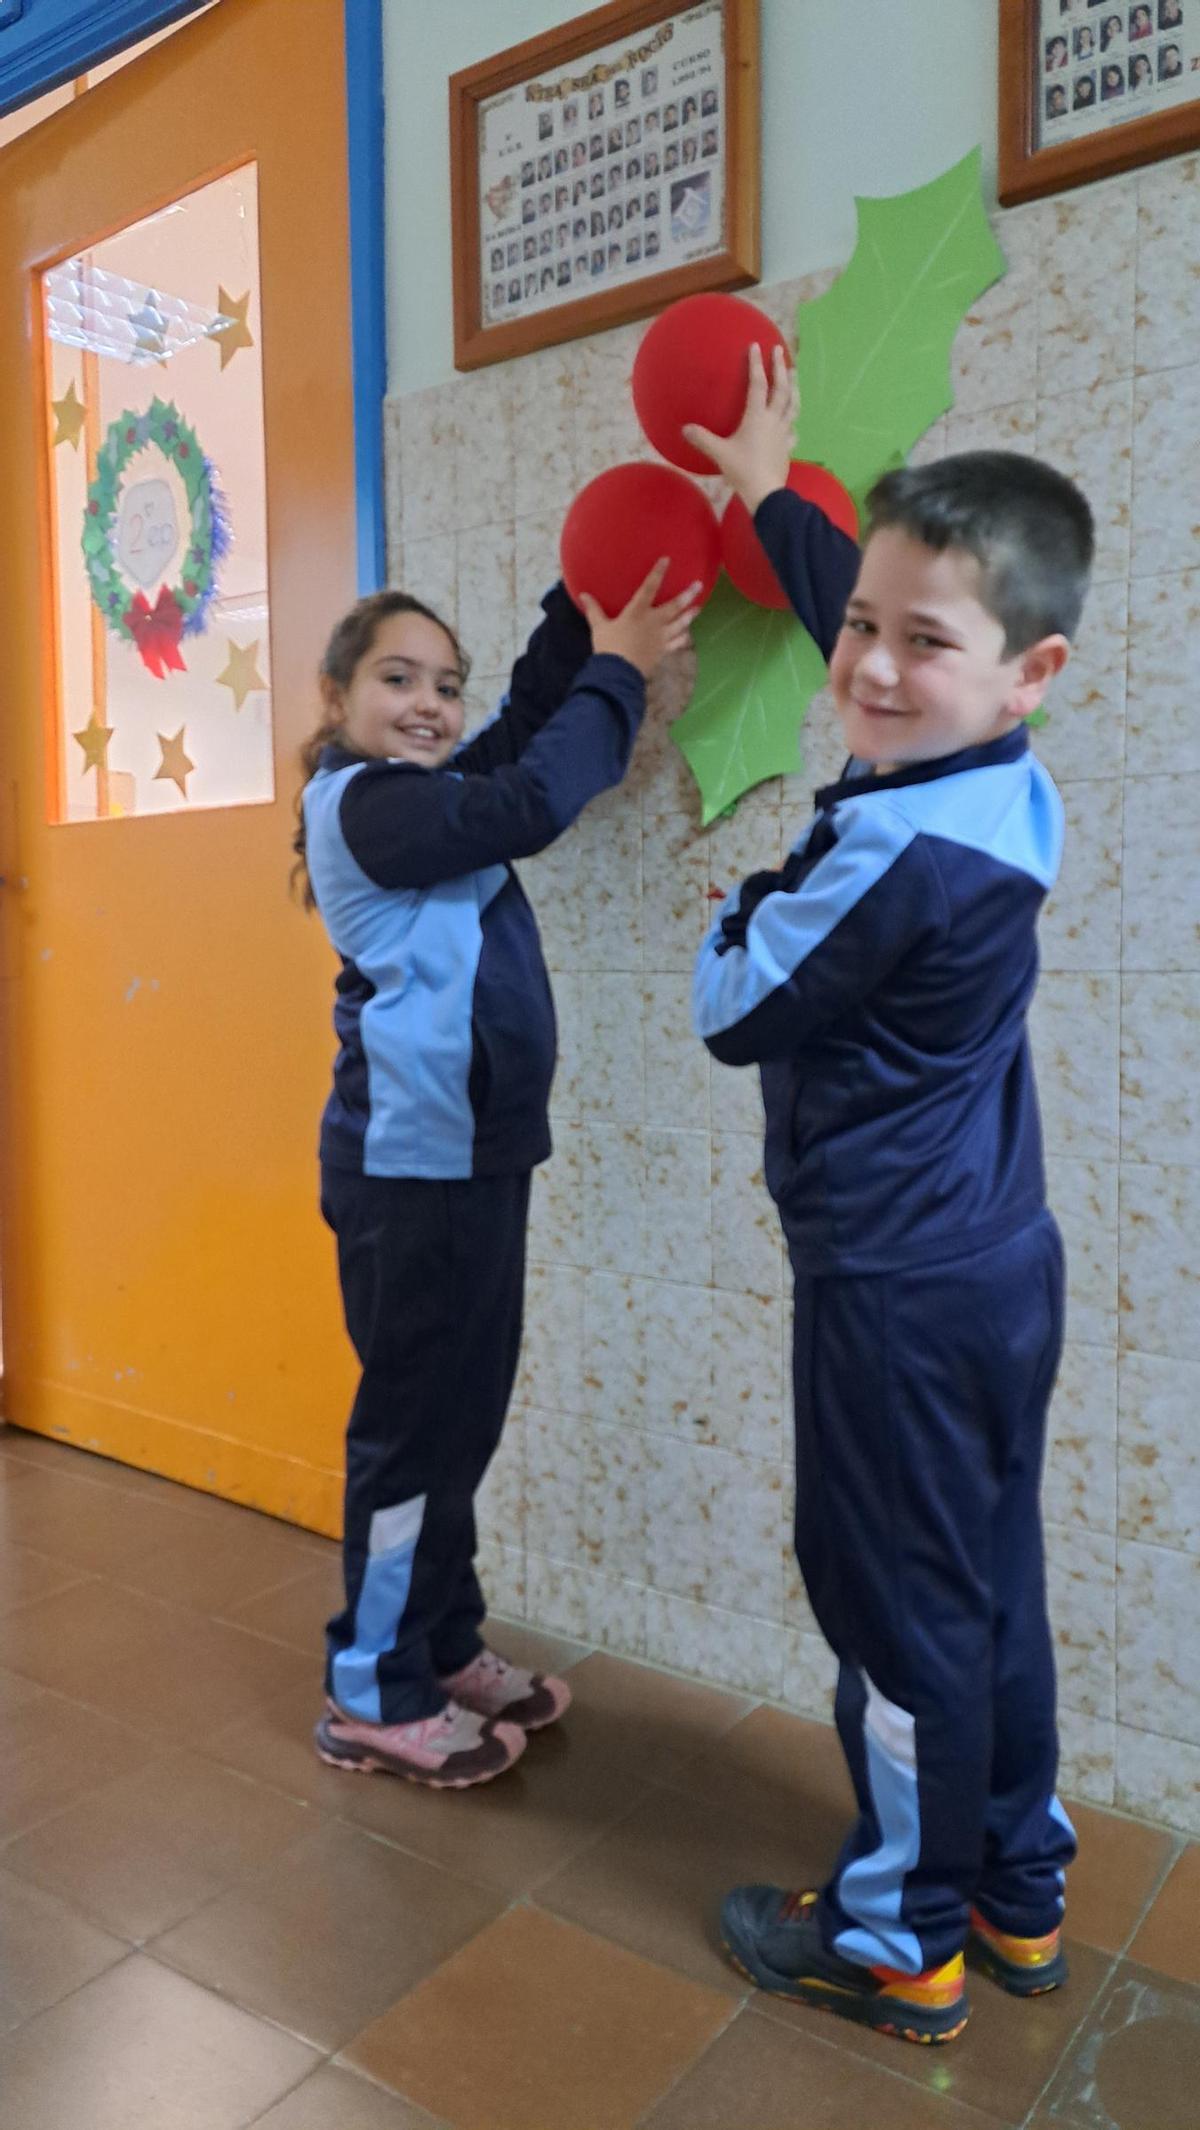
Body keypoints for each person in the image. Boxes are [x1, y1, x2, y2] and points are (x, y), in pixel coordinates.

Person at [688, 347, 1093, 2045]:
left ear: (1031, 672)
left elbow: (730, 1004)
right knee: (985, 1580)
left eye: (920, 642)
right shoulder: (1002, 790)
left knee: (894, 1601)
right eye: (858, 620)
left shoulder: (894, 858)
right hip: (994, 1263)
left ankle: (898, 1935)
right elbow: (898, 651)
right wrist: (784, 507)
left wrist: (742, 893)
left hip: (894, 1292)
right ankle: (1016, 1887)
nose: (866, 661)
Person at [296, 566, 700, 1788]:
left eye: (445, 685)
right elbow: (531, 796)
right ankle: (372, 1689)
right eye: (397, 678)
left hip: (475, 1159)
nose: (429, 704)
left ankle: (442, 1642)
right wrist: (620, 665)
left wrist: (582, 609)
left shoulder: (427, 790)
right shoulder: (364, 803)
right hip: (410, 1171)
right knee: (414, 1432)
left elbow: (521, 735)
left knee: (459, 1422)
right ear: (337, 695)